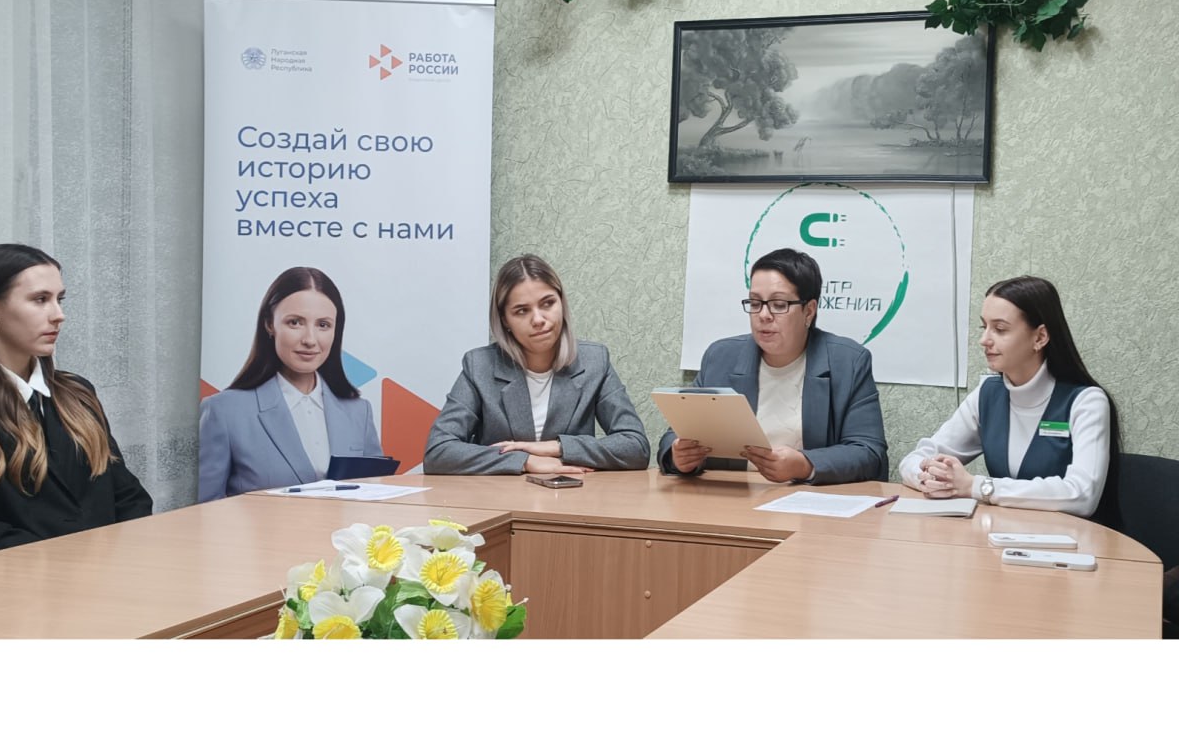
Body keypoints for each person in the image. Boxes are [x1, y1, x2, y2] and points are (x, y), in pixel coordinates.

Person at [0, 243, 152, 563]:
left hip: (108, 574)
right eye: (40, 300)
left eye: (59, 299)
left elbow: (130, 498)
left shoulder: (78, 392)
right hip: (19, 583)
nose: (58, 315)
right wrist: (77, 565)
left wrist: (123, 562)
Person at [658, 247, 888, 483]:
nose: (763, 315)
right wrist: (679, 456)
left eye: (778, 304)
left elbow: (870, 453)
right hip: (730, 496)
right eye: (755, 303)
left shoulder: (848, 362)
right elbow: (674, 435)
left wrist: (805, 465)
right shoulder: (721, 357)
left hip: (806, 498)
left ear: (809, 311)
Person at [898, 276, 1119, 517]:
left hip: (1073, 538)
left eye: (1000, 329)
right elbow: (916, 458)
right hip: (1005, 533)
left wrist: (978, 487)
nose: (984, 340)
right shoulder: (987, 394)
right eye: (984, 327)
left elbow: (1082, 494)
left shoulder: (1087, 402)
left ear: (1040, 337)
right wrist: (930, 478)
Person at [423, 254, 650, 475]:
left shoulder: (594, 361)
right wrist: (525, 460)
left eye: (548, 303)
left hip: (574, 494)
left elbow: (636, 446)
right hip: (498, 495)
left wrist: (557, 447)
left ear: (561, 303)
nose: (538, 320)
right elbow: (438, 452)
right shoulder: (479, 365)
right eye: (522, 311)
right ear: (505, 320)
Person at [198, 266, 384, 500]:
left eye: (323, 325)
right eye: (295, 322)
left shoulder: (358, 411)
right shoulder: (224, 411)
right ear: (270, 324)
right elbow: (204, 510)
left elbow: (375, 499)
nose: (310, 340)